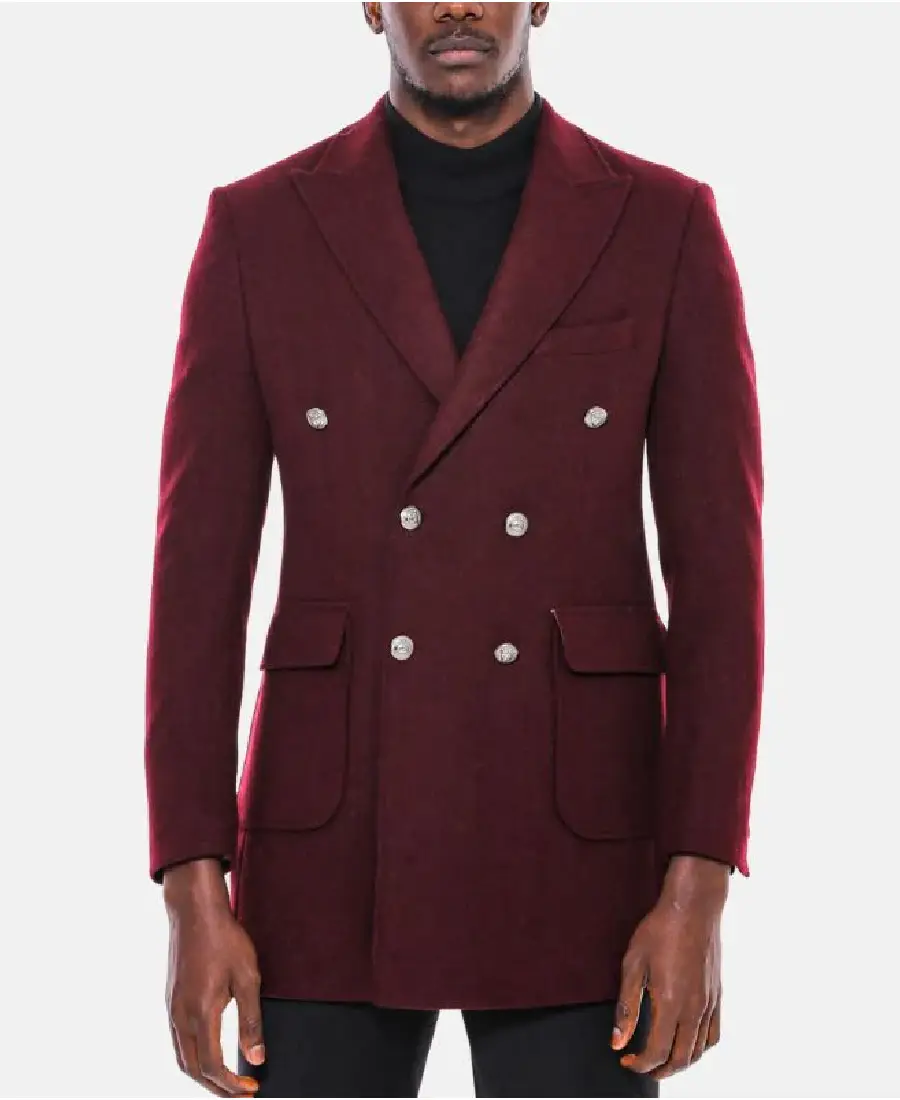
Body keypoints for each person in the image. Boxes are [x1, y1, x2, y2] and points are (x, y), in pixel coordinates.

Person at [144, 3, 764, 1096]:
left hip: (582, 841)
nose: (460, 6)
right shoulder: (260, 227)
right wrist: (193, 890)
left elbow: (723, 587)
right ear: (370, 5)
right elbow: (196, 584)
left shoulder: (662, 222)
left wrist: (697, 886)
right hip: (331, 839)